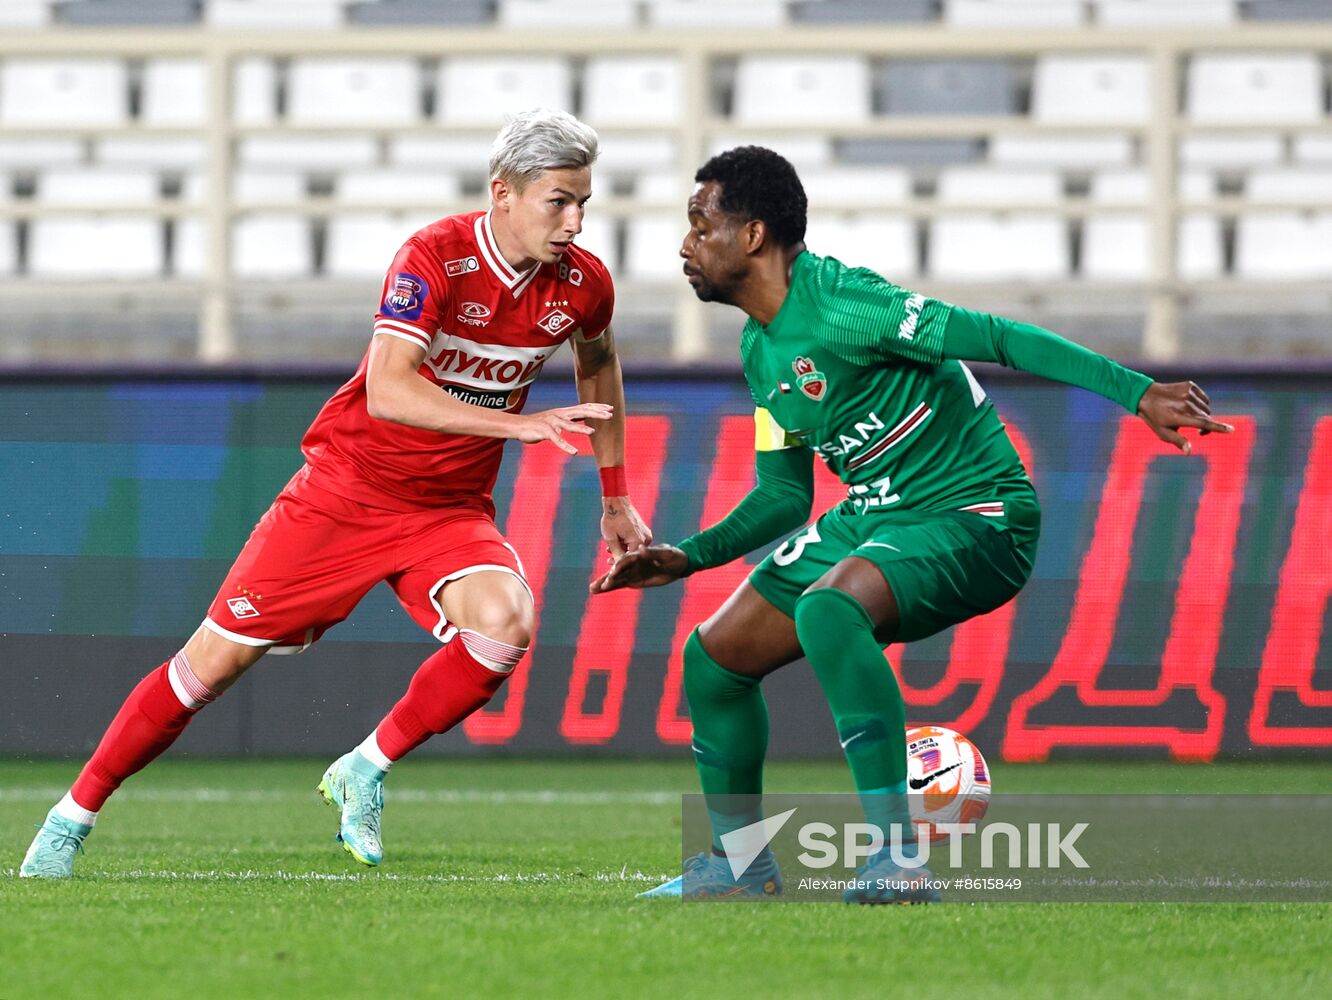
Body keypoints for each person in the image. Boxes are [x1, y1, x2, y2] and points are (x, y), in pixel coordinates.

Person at [591, 146, 1231, 903]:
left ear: (754, 235)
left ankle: (896, 858)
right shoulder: (760, 350)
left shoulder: (848, 305)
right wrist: (688, 558)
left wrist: (1134, 393)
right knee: (715, 659)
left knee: (829, 609)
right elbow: (784, 497)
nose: (685, 244)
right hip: (878, 510)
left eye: (701, 225)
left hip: (978, 511)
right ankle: (739, 867)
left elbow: (998, 337)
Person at [21, 109, 652, 878]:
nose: (576, 221)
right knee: (209, 668)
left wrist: (615, 495)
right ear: (504, 193)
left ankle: (365, 766)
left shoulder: (583, 284)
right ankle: (70, 817)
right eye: (560, 201)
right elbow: (388, 390)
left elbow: (600, 367)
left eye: (585, 201)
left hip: (446, 510)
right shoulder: (435, 258)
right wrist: (514, 427)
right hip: (347, 491)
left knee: (505, 624)